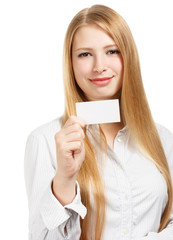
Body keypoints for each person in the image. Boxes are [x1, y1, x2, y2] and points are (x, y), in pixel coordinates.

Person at [24, 4, 173, 240]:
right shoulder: (44, 140)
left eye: (112, 51)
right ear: (70, 64)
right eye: (85, 54)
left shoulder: (163, 139)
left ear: (129, 57)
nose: (99, 66)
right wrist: (64, 178)